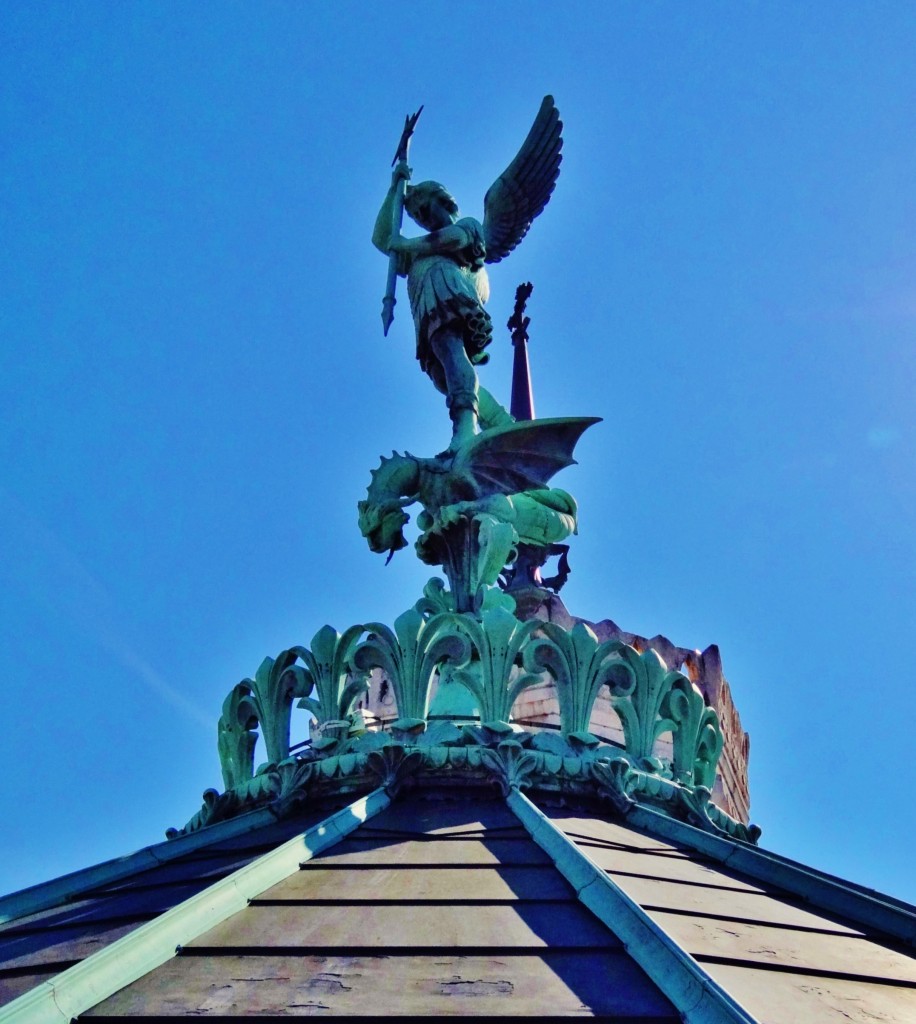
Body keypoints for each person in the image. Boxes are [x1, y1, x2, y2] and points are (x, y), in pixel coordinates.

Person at [372, 161, 511, 448]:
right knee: (442, 376)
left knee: (450, 350)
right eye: (417, 217)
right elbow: (383, 240)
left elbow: (450, 240)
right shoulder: (419, 252)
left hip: (447, 289)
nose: (422, 218)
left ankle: (465, 430)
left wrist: (405, 244)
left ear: (443, 201)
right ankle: (499, 422)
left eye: (425, 209)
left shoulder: (467, 227)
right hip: (426, 302)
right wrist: (393, 191)